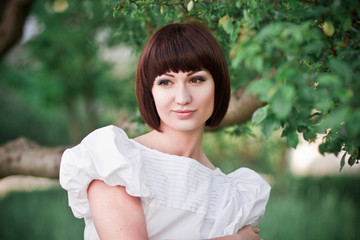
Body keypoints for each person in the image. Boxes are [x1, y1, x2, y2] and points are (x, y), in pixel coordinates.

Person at [60, 22, 270, 240]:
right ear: (150, 92)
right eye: (166, 82)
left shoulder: (233, 195)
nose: (182, 98)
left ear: (218, 85)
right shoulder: (117, 162)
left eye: (196, 79)